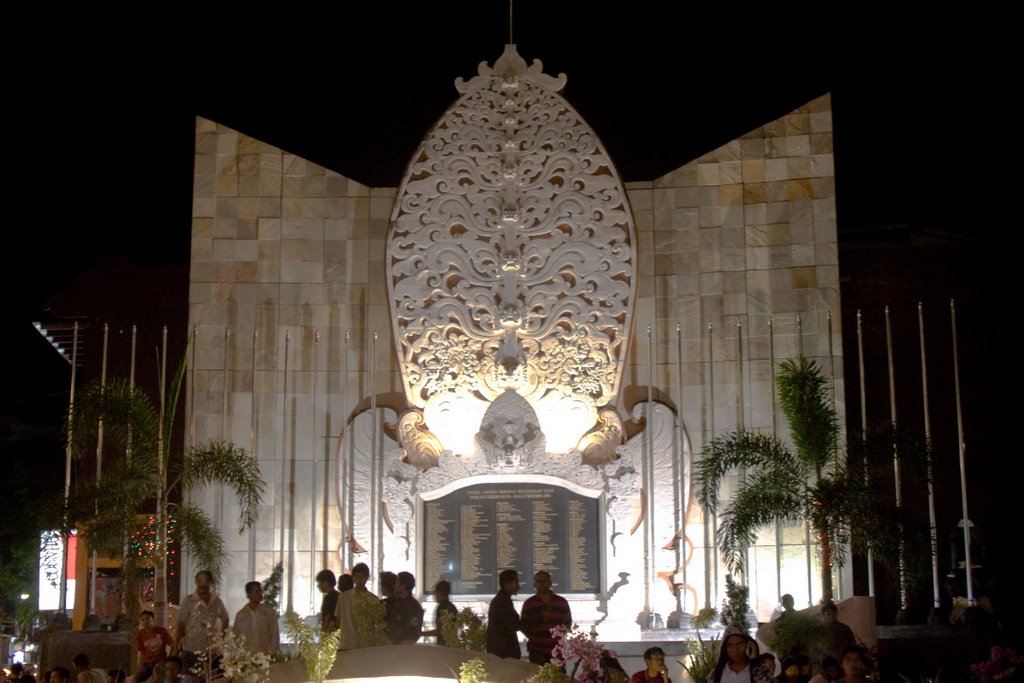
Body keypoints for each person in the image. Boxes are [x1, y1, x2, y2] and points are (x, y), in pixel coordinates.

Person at [175, 570, 230, 679]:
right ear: (196, 582)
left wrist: (221, 639)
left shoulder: (216, 601)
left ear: (210, 583)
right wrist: (176, 645)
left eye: (206, 581)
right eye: (200, 581)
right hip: (191, 649)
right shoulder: (189, 600)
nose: (203, 585)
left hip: (212, 651)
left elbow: (226, 619)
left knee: (216, 679)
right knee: (190, 679)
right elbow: (180, 624)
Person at [520, 570, 573, 665]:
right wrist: (535, 638)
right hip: (536, 650)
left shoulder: (561, 602)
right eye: (539, 581)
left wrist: (557, 639)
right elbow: (524, 625)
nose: (542, 584)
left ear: (550, 583)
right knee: (537, 679)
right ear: (535, 584)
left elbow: (567, 623)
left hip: (557, 650)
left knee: (558, 679)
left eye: (544, 581)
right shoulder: (529, 604)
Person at [334, 562, 380, 650]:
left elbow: (376, 622)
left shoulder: (373, 599)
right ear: (353, 578)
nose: (359, 580)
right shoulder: (343, 598)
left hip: (365, 643)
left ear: (367, 578)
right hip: (346, 642)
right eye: (357, 577)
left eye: (362, 577)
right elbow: (338, 620)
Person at [233, 580, 280, 657]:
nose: (260, 594)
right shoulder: (241, 615)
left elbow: (274, 633)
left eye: (260, 591)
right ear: (249, 594)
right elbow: (236, 636)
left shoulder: (268, 612)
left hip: (265, 656)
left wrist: (272, 652)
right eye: (257, 591)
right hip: (247, 657)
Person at [486, 569, 522, 659]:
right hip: (504, 653)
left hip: (499, 652)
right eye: (516, 582)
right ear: (507, 584)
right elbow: (514, 624)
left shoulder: (501, 600)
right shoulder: (503, 602)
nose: (518, 586)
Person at [134, 609, 174, 682]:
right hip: (147, 662)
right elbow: (142, 652)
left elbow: (172, 644)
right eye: (142, 619)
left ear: (153, 619)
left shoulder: (161, 631)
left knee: (157, 678)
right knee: (136, 679)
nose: (145, 621)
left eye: (147, 618)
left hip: (160, 661)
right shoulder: (140, 634)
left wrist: (168, 660)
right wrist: (140, 667)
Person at [388, 571, 424, 644]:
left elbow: (412, 632)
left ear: (403, 586)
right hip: (392, 647)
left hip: (404, 649)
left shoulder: (414, 607)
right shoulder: (394, 603)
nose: (394, 586)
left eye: (396, 584)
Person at [423, 579, 458, 645]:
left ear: (439, 592)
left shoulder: (442, 608)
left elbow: (440, 631)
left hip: (446, 646)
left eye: (435, 593)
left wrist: (421, 633)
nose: (434, 596)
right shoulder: (451, 607)